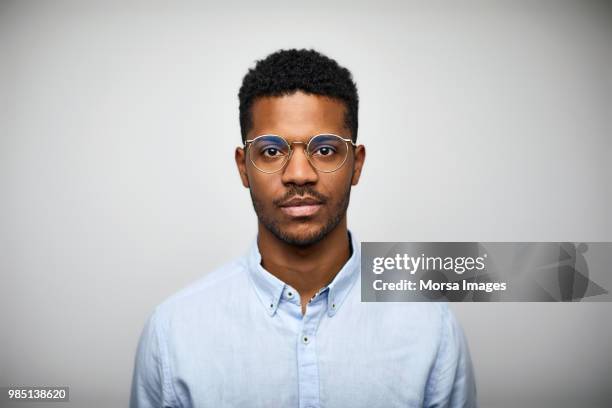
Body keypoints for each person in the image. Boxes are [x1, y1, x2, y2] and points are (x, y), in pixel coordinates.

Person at [130, 48, 477, 408]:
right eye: (270, 151)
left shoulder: (430, 328)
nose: (299, 174)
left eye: (325, 150)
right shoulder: (174, 332)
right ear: (243, 167)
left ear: (356, 165)